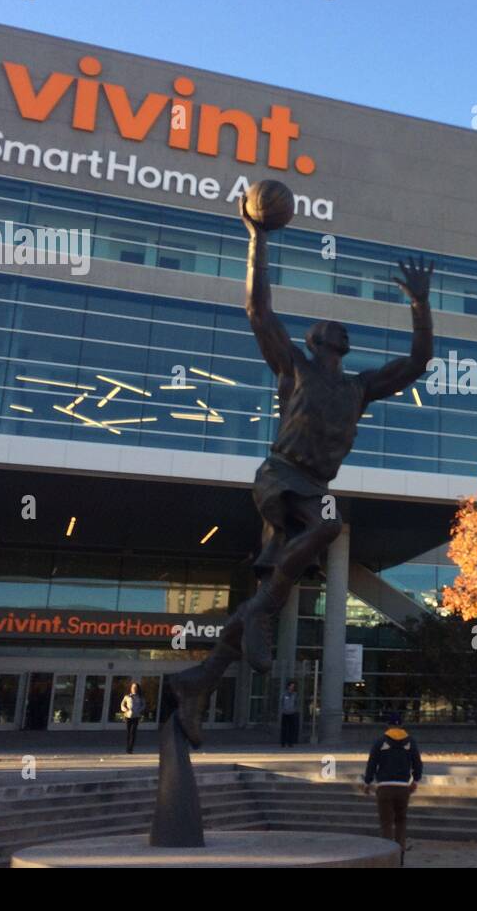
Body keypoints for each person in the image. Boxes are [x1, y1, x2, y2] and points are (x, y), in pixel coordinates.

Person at [166, 197, 435, 748]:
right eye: (324, 329)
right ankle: (260, 615)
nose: (331, 331)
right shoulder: (295, 366)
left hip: (311, 486)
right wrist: (257, 240)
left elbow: (416, 364)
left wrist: (420, 307)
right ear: (315, 341)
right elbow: (258, 313)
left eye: (337, 331)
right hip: (279, 475)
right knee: (328, 528)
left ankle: (201, 681)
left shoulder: (357, 387)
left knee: (286, 570)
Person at [362, 711, 423, 866]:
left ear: (387, 725)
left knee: (386, 823)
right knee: (401, 821)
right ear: (401, 724)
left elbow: (372, 763)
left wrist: (368, 782)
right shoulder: (410, 742)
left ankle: (387, 855)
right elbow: (417, 763)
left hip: (384, 787)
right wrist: (415, 779)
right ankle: (400, 853)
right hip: (403, 787)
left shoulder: (380, 741)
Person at [120, 682, 145, 754]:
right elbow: (122, 705)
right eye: (133, 687)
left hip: (136, 716)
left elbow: (143, 705)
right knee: (128, 732)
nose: (134, 689)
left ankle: (130, 748)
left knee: (133, 732)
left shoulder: (140, 697)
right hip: (128, 716)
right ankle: (127, 747)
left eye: (135, 688)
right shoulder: (127, 696)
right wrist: (125, 709)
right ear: (131, 688)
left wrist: (139, 710)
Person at [280, 679, 300, 747]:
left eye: (293, 686)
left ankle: (290, 743)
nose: (292, 687)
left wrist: (295, 710)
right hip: (285, 713)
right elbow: (281, 702)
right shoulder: (284, 693)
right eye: (291, 686)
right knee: (284, 729)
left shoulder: (295, 694)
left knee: (291, 729)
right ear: (288, 686)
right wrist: (282, 709)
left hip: (292, 713)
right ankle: (283, 743)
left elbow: (297, 703)